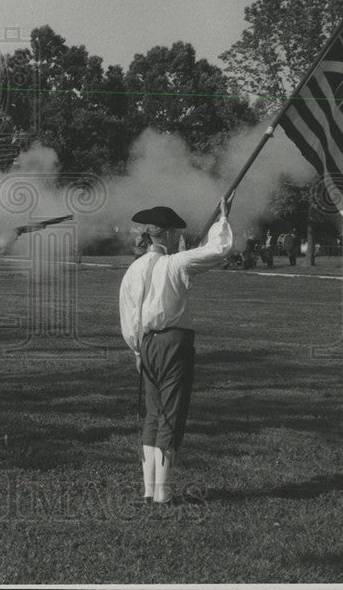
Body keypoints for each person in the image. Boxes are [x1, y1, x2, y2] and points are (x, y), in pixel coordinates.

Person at [119, 198, 233, 504]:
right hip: (174, 344)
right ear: (167, 235)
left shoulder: (133, 270)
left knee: (153, 415)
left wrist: (137, 351)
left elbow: (128, 317)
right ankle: (163, 493)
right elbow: (218, 250)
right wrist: (222, 220)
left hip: (145, 345)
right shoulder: (176, 263)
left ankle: (148, 490)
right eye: (175, 233)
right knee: (170, 415)